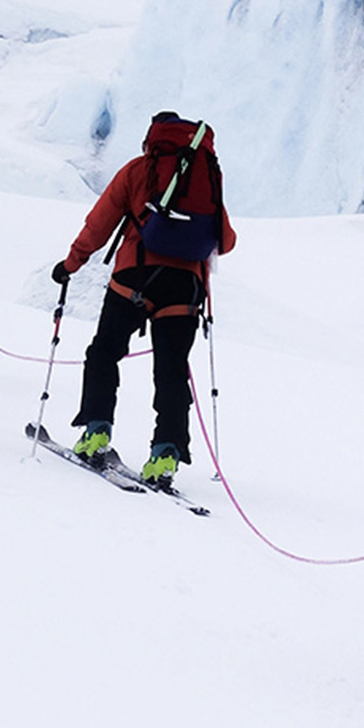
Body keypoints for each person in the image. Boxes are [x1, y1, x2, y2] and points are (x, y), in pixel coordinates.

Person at [52, 111, 237, 485]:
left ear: (153, 138)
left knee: (104, 353)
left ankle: (96, 431)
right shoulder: (205, 179)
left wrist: (71, 264)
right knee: (171, 371)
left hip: (133, 278)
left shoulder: (139, 170)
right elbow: (226, 240)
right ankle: (165, 454)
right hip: (185, 289)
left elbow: (99, 224)